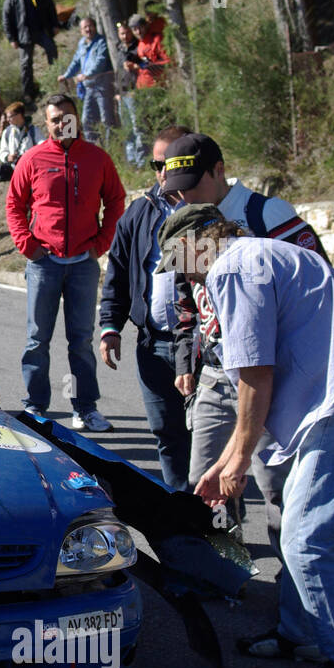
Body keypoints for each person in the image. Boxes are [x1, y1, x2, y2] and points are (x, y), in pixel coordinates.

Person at [163, 204, 334, 668]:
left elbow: (256, 372)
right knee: (301, 529)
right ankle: (301, 635)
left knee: (305, 535)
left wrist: (237, 459)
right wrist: (227, 458)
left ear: (197, 243)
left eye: (180, 261)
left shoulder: (232, 266)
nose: (184, 275)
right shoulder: (260, 253)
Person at [165, 132, 328, 560]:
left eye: (192, 185)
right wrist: (188, 357)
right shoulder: (189, 222)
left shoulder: (268, 213)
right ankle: (227, 573)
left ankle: (294, 591)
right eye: (176, 190)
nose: (182, 196)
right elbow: (189, 300)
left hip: (275, 378)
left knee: (279, 490)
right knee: (207, 485)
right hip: (218, 375)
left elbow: (318, 283)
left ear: (219, 170)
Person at [5, 93, 125, 431]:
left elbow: (116, 201)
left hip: (83, 263)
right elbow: (14, 204)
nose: (62, 123)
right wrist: (28, 245)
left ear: (77, 118)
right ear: (47, 123)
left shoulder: (97, 159)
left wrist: (100, 243)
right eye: (55, 118)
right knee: (37, 339)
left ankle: (84, 408)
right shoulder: (32, 159)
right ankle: (35, 407)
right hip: (44, 262)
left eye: (67, 116)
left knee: (81, 340)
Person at [98, 124, 192, 490]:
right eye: (156, 165)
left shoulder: (205, 214)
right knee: (166, 435)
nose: (163, 173)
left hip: (200, 350)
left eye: (170, 163)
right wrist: (110, 327)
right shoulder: (140, 212)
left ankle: (222, 526)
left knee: (208, 439)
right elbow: (118, 274)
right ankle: (184, 520)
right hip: (152, 344)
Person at [58, 17, 118, 146]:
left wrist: (86, 75)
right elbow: (76, 61)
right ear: (81, 31)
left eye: (90, 26)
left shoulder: (101, 42)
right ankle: (93, 146)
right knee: (87, 120)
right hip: (89, 88)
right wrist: (66, 75)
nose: (88, 29)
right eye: (85, 27)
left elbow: (100, 62)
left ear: (95, 27)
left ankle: (111, 147)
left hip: (102, 86)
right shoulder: (82, 44)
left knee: (106, 118)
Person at [2, 0, 59, 102]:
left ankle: (55, 80)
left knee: (52, 50)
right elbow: (6, 19)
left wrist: (55, 24)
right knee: (25, 65)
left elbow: (50, 7)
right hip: (23, 36)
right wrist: (12, 38)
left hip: (41, 31)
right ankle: (28, 93)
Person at [113, 21, 147, 168]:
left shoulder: (138, 46)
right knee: (127, 130)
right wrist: (117, 92)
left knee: (137, 127)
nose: (125, 36)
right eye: (122, 33)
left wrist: (135, 65)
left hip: (134, 92)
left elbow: (145, 65)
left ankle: (141, 161)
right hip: (122, 93)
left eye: (127, 32)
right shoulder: (119, 49)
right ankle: (132, 162)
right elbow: (118, 72)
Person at [0, 102, 41, 181]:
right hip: (16, 173)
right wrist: (7, 157)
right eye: (7, 117)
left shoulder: (34, 130)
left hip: (34, 171)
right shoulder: (7, 132)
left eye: (10, 117)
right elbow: (2, 151)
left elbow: (43, 147)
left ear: (19, 115)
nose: (7, 120)